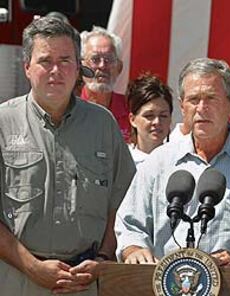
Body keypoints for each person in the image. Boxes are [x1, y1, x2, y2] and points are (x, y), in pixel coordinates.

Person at [0, 17, 136, 295]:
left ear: (78, 68)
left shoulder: (103, 125)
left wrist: (103, 259)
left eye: (65, 61)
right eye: (45, 61)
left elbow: (123, 203)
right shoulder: (3, 123)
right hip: (17, 279)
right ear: (27, 67)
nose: (55, 71)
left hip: (86, 282)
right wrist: (32, 267)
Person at [115, 57, 230, 267]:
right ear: (182, 107)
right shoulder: (159, 161)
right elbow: (130, 223)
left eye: (210, 98)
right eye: (193, 100)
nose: (201, 108)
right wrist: (135, 249)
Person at [80, 26, 130, 141]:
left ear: (119, 68)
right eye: (95, 59)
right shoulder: (67, 109)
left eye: (109, 59)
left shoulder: (131, 110)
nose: (102, 66)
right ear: (81, 66)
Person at [126, 73, 173, 166]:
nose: (157, 122)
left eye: (163, 116)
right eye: (149, 116)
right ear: (132, 119)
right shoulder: (122, 162)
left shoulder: (178, 161)